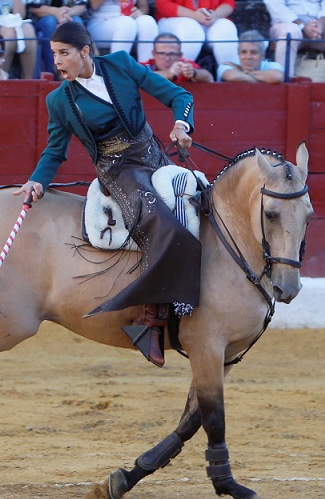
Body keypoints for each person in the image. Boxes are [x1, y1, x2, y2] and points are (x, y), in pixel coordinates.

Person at [15, 20, 198, 366]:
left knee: (199, 204)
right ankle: (150, 321)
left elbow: (179, 95)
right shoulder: (59, 100)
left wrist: (180, 125)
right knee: (161, 225)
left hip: (154, 157)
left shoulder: (121, 65)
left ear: (85, 51)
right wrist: (38, 180)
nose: (57, 61)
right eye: (54, 54)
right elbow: (55, 151)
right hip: (120, 172)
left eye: (63, 53)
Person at [141, 31, 213, 83]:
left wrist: (194, 73)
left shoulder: (184, 65)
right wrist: (167, 74)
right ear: (154, 54)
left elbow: (209, 78)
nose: (167, 59)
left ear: (180, 55)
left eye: (172, 54)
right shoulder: (145, 67)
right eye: (162, 53)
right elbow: (138, 78)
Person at [217, 30, 285, 83]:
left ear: (262, 55)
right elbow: (232, 77)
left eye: (253, 52)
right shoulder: (227, 65)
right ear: (238, 54)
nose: (248, 57)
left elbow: (277, 77)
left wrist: (244, 72)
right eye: (244, 52)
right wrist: (265, 79)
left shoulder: (272, 65)